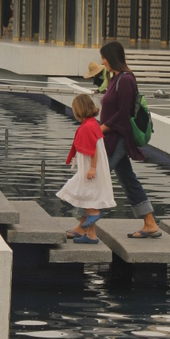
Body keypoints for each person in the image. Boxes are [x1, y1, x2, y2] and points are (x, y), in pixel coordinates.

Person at [98, 40, 161, 238]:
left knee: (97, 174)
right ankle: (149, 223)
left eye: (104, 58)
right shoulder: (116, 78)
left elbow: (123, 113)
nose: (102, 62)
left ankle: (84, 224)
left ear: (112, 57)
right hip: (113, 137)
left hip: (118, 138)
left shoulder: (125, 80)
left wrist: (100, 129)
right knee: (127, 178)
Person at [58, 94, 116, 243]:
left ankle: (94, 213)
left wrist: (92, 168)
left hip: (90, 167)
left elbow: (93, 149)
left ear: (78, 110)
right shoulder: (92, 123)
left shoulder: (87, 127)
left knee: (82, 192)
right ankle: (91, 235)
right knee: (88, 194)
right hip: (92, 166)